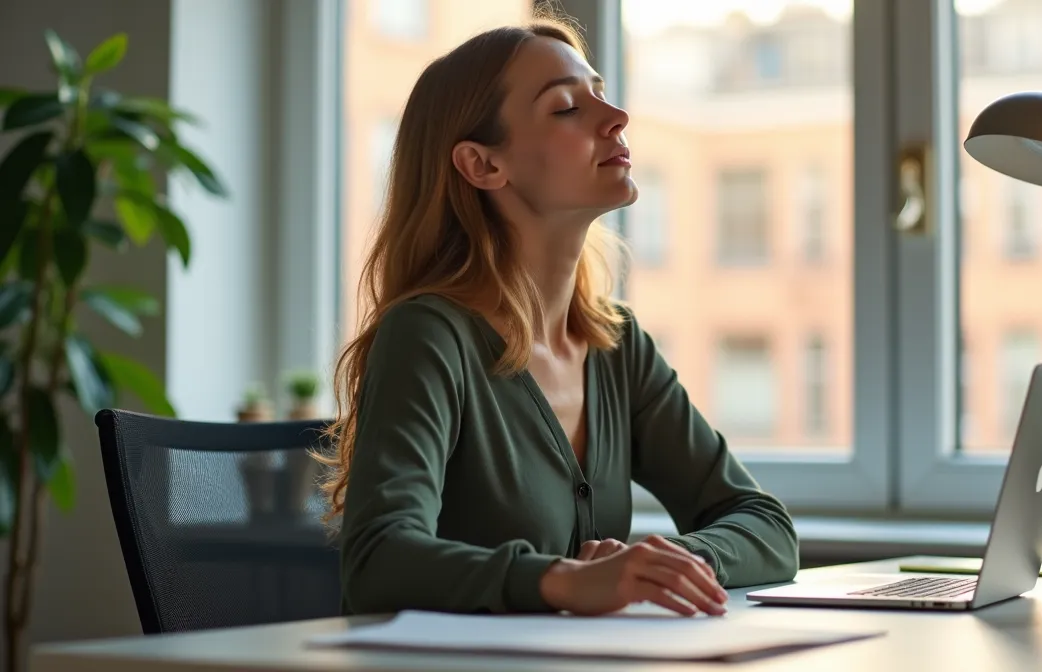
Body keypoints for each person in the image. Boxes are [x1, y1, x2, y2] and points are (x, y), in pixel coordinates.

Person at [318, 11, 799, 619]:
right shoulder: (428, 335)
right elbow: (378, 561)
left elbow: (765, 526)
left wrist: (665, 562)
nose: (616, 117)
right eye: (568, 108)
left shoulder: (615, 345)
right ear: (483, 165)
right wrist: (565, 581)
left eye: (599, 93)